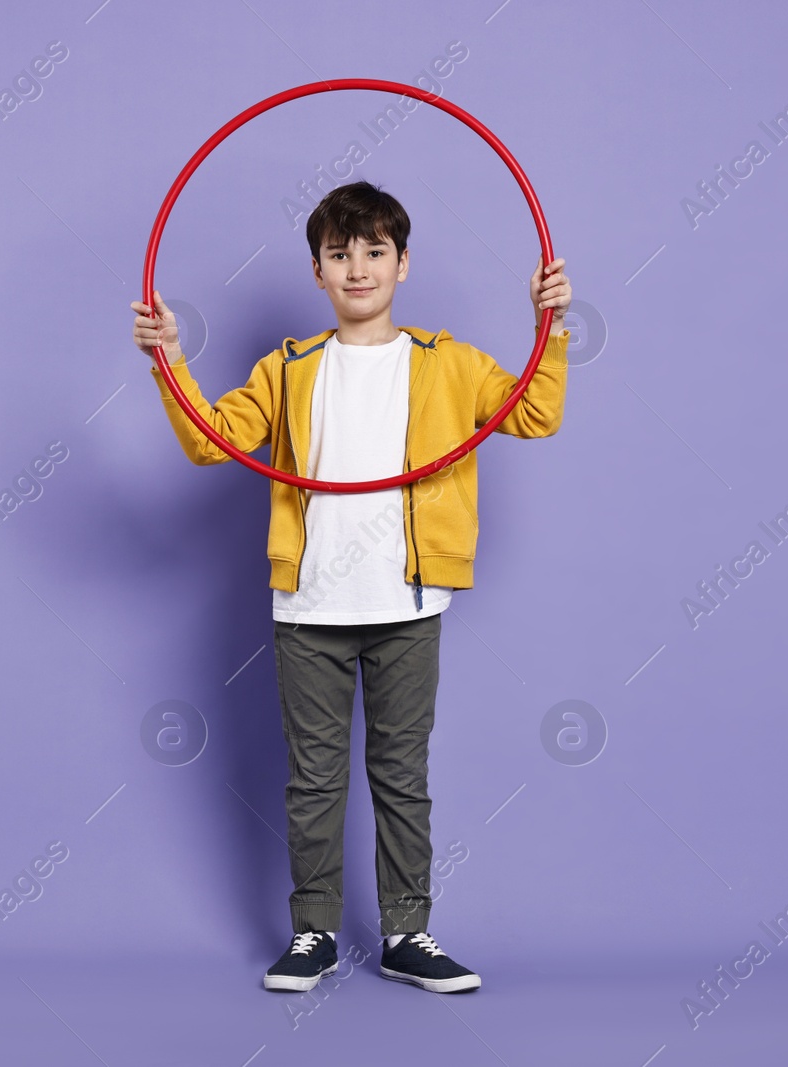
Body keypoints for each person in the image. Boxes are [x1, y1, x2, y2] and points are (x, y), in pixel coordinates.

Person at [130, 180, 571, 994]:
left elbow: (536, 412)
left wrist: (551, 321)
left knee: (402, 773)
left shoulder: (452, 364)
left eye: (375, 252)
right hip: (309, 608)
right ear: (317, 271)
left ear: (403, 264)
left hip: (406, 601)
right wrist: (171, 358)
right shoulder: (289, 367)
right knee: (313, 776)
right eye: (341, 254)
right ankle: (313, 933)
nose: (358, 268)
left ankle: (408, 932)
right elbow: (209, 442)